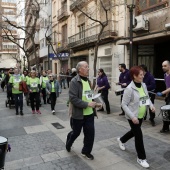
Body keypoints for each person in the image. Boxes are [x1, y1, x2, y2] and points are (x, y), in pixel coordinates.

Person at [117, 66, 155, 168]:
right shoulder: (129, 89)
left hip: (141, 115)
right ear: (134, 76)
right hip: (132, 117)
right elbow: (124, 105)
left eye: (143, 74)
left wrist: (151, 106)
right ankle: (141, 158)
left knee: (134, 132)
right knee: (139, 135)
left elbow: (146, 98)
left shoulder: (143, 85)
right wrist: (132, 117)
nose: (143, 76)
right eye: (141, 75)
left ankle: (121, 140)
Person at [66, 61, 99, 160]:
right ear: (80, 69)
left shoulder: (88, 81)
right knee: (76, 133)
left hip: (89, 114)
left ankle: (86, 151)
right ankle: (69, 141)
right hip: (78, 114)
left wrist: (95, 104)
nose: (88, 68)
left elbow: (89, 96)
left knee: (90, 134)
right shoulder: (74, 81)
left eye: (88, 67)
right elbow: (73, 99)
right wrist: (87, 104)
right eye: (86, 67)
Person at [156, 60, 170, 133]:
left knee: (167, 111)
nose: (163, 67)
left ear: (169, 66)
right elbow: (167, 86)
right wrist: (166, 96)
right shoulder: (165, 75)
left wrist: (162, 93)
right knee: (166, 111)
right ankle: (166, 127)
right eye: (162, 66)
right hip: (169, 95)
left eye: (165, 66)